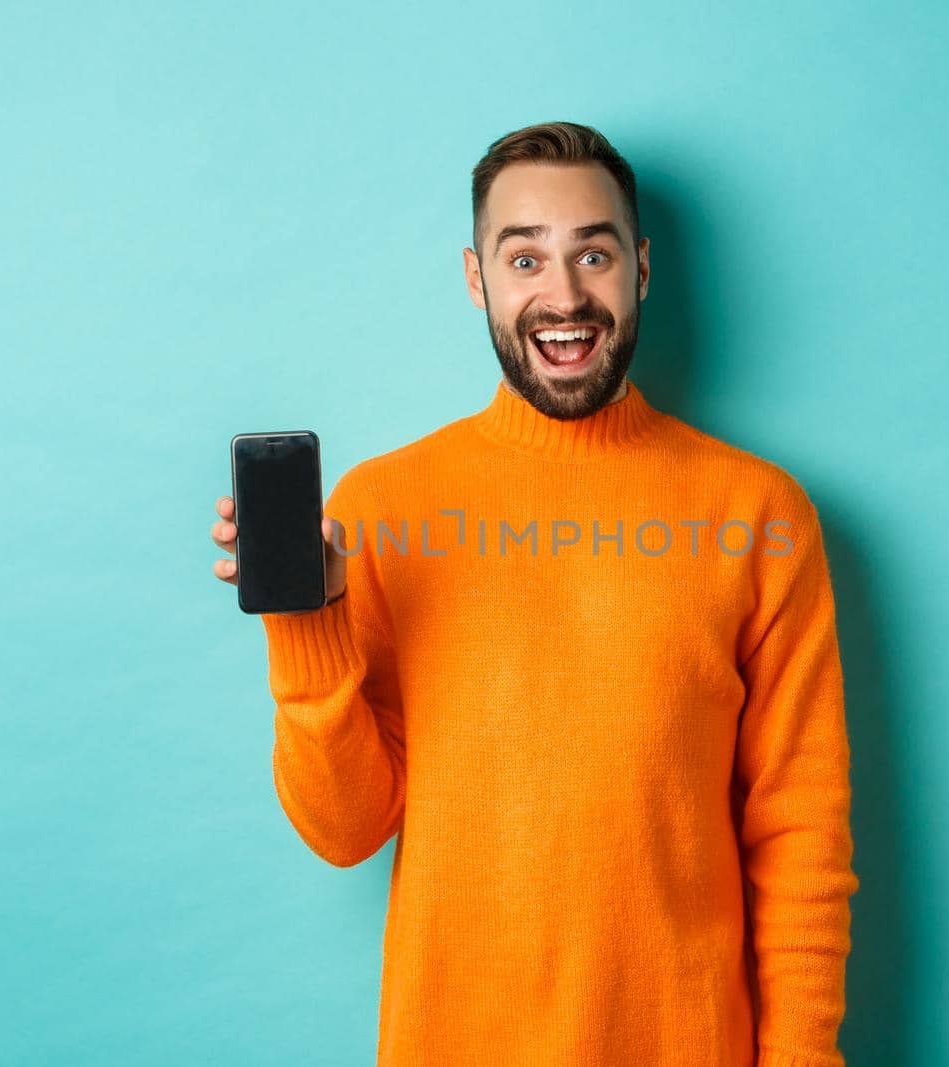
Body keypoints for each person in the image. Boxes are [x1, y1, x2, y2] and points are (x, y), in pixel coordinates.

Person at [210, 120, 859, 1067]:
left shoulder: (758, 513)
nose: (563, 296)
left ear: (640, 268)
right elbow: (346, 832)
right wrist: (306, 630)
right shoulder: (383, 509)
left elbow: (802, 832)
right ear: (477, 279)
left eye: (593, 253)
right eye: (525, 259)